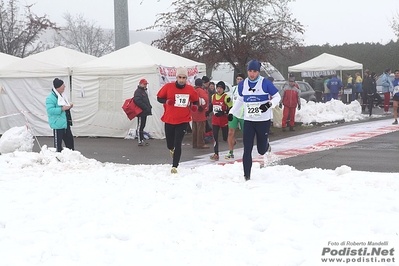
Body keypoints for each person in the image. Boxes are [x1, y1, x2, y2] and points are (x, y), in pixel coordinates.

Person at [228, 59, 281, 181]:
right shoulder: (243, 84)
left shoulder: (265, 83)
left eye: (255, 71)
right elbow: (240, 100)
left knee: (261, 150)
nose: (252, 74)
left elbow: (278, 97)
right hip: (249, 121)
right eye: (250, 71)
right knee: (247, 148)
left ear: (258, 72)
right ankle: (247, 176)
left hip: (263, 121)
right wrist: (232, 112)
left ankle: (266, 145)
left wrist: (268, 105)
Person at [157, 67, 199, 174]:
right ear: (176, 77)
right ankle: (171, 149)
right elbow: (159, 98)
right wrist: (167, 101)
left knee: (178, 143)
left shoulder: (190, 89)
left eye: (184, 78)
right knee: (170, 144)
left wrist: (194, 106)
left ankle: (175, 166)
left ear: (186, 78)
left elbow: (196, 101)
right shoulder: (168, 87)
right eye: (180, 77)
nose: (181, 80)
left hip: (183, 120)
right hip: (169, 119)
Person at [45, 78, 74, 152]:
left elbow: (65, 107)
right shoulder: (50, 98)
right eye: (63, 85)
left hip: (65, 122)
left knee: (70, 141)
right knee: (58, 145)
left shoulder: (63, 96)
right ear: (58, 87)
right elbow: (50, 110)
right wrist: (61, 109)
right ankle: (58, 158)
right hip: (57, 124)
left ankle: (71, 155)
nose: (64, 87)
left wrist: (69, 107)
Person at [207, 81, 232, 161]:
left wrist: (223, 113)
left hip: (223, 120)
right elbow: (212, 106)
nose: (219, 89)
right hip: (215, 121)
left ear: (223, 89)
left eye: (220, 88)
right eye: (217, 88)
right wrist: (208, 111)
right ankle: (216, 154)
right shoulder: (213, 96)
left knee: (225, 138)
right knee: (215, 137)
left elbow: (231, 108)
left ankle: (232, 142)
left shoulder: (226, 97)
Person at [225, 73, 245, 159]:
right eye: (238, 79)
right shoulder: (233, 89)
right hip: (234, 114)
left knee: (245, 134)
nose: (239, 81)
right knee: (230, 132)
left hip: (244, 115)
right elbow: (229, 99)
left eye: (241, 79)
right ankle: (231, 151)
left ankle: (246, 151)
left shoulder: (247, 89)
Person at [191, 78, 210, 148]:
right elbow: (205, 99)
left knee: (194, 129)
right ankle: (200, 143)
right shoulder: (201, 91)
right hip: (200, 112)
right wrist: (202, 106)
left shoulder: (193, 90)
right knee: (201, 129)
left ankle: (194, 143)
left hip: (194, 112)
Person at [134, 79, 152, 146]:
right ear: (140, 84)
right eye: (144, 84)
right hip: (141, 112)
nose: (145, 85)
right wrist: (144, 107)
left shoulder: (144, 91)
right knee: (140, 126)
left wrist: (149, 107)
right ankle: (139, 140)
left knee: (143, 125)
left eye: (146, 84)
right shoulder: (138, 91)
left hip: (144, 111)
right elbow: (137, 100)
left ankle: (142, 138)